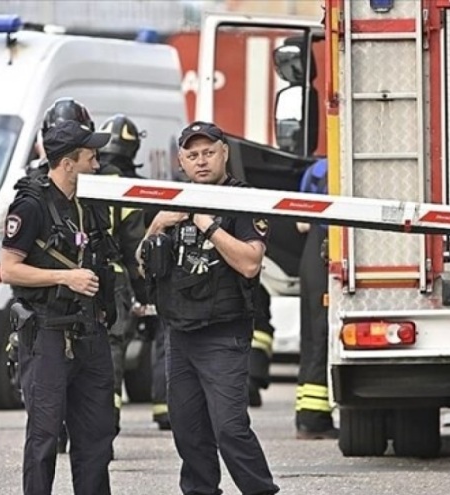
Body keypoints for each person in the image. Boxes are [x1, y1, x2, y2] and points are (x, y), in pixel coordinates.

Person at [140, 121, 279, 495]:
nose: (200, 161)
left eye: (208, 153)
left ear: (224, 153)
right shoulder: (172, 198)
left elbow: (251, 263)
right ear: (181, 161)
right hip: (179, 333)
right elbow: (144, 265)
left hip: (223, 333)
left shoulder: (243, 199)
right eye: (192, 155)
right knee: (188, 430)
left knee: (229, 428)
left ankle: (260, 491)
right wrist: (155, 226)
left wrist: (207, 224)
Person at [0, 120, 118, 495]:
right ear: (68, 163)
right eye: (91, 157)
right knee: (45, 436)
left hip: (90, 333)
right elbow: (8, 269)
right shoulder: (31, 204)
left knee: (97, 437)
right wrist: (64, 278)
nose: (97, 164)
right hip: (47, 334)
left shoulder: (89, 203)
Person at [95, 114, 172, 431]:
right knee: (112, 347)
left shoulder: (80, 175)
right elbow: (132, 243)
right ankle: (107, 420)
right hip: (113, 278)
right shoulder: (124, 185)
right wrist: (144, 289)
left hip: (68, 277)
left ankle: (62, 425)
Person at [294, 157, 339, 440]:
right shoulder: (335, 167)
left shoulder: (317, 169)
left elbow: (300, 223)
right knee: (322, 335)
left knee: (311, 337)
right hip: (327, 252)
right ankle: (313, 418)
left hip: (311, 257)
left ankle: (307, 414)